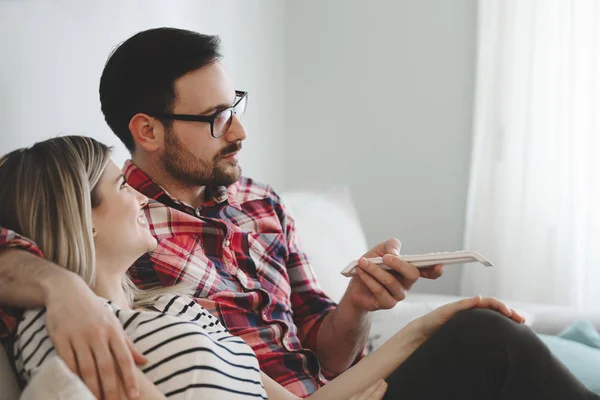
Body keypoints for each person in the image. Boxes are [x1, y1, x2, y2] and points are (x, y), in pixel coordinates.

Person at [0, 28, 596, 400]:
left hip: (339, 390)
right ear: (148, 130)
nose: (239, 130)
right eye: (214, 119)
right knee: (491, 341)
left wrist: (360, 303)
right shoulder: (113, 224)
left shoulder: (262, 205)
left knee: (487, 337)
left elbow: (325, 348)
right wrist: (59, 285)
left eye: (234, 106)